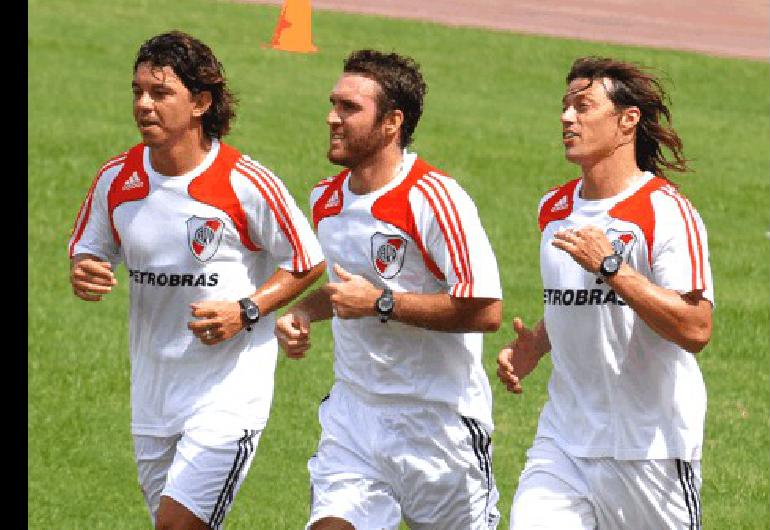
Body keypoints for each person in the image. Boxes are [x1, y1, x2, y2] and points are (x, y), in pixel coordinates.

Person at [67, 31, 325, 529]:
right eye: (138, 91)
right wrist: (86, 274)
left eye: (161, 93)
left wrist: (246, 310)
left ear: (200, 102)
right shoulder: (117, 179)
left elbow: (307, 260)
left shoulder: (244, 182)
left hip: (227, 398)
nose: (144, 104)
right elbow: (88, 254)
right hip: (153, 397)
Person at [275, 49, 503, 530]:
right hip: (356, 419)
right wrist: (302, 314)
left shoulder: (435, 198)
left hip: (438, 427)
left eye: (349, 108)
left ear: (392, 122)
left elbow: (485, 310)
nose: (332, 118)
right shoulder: (326, 200)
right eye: (334, 103)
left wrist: (382, 303)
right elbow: (344, 287)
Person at [497, 56, 714, 529]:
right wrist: (540, 341)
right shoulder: (553, 209)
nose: (566, 117)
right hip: (566, 441)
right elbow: (578, 300)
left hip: (651, 448)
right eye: (565, 106)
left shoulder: (666, 211)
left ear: (627, 120)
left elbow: (696, 327)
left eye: (583, 106)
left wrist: (613, 268)